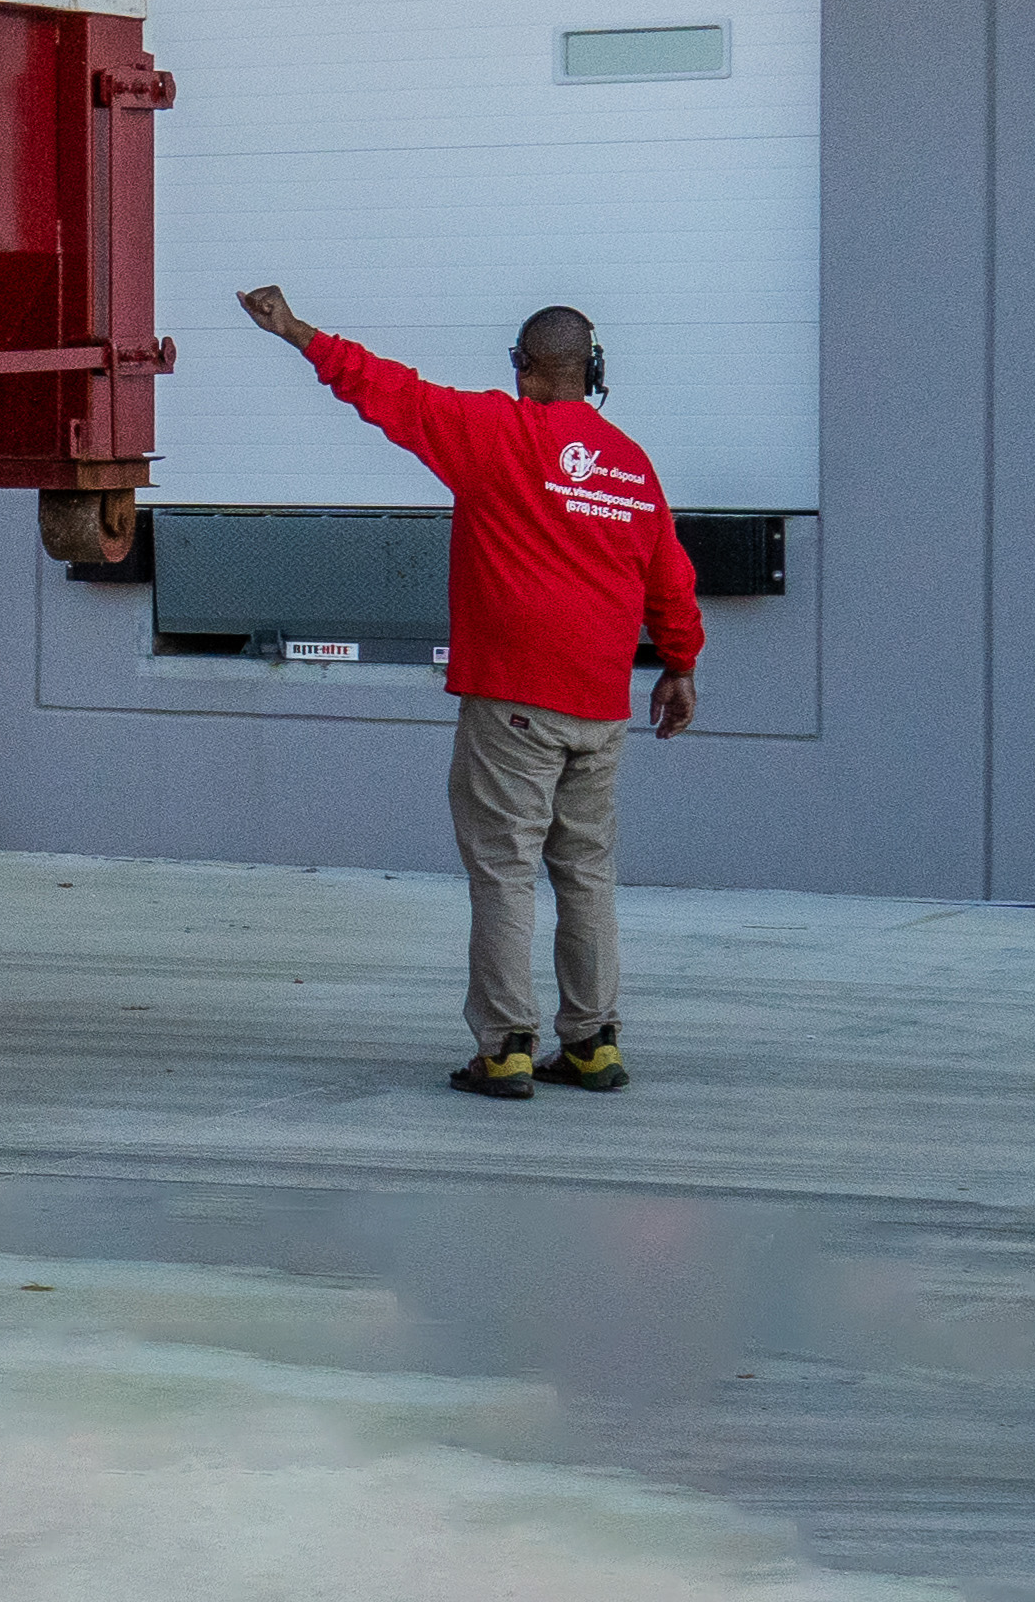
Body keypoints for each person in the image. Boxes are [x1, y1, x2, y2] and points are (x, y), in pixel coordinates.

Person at [232, 285, 700, 1101]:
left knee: (504, 869)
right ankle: (591, 1043)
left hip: (514, 701)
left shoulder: (493, 433)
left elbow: (390, 390)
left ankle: (506, 1047)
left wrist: (298, 330)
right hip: (601, 708)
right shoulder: (631, 464)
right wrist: (682, 666)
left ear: (523, 371)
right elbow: (671, 578)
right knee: (585, 871)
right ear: (592, 373)